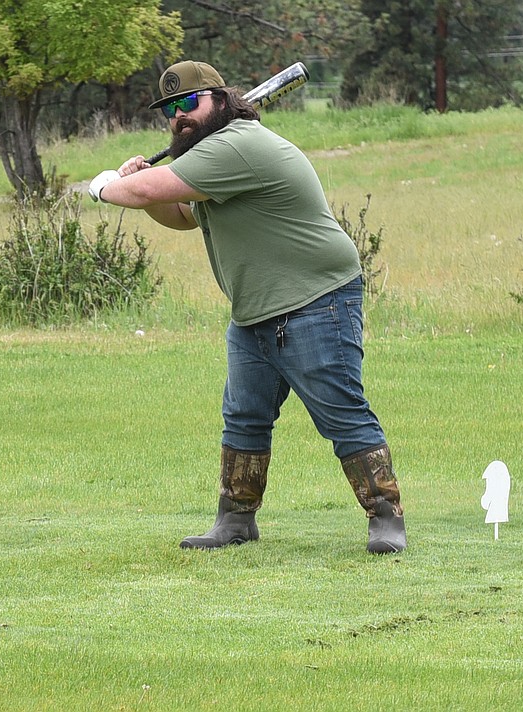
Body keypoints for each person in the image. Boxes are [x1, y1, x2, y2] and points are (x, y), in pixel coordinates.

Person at [88, 61, 406, 554]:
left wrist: (109, 185)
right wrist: (140, 187)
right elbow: (179, 214)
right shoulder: (210, 154)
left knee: (342, 413)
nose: (178, 116)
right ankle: (235, 521)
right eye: (170, 110)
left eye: (188, 103)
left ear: (218, 99)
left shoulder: (236, 145)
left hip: (315, 299)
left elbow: (151, 191)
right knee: (244, 418)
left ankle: (387, 518)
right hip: (255, 310)